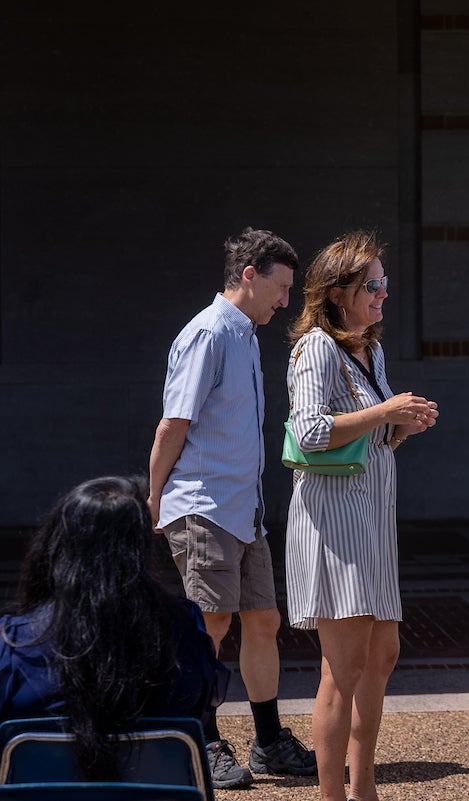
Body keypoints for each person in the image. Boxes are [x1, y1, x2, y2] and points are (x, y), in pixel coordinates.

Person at [147, 227, 315, 788]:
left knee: (263, 621)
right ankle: (201, 741)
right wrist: (155, 496)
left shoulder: (243, 333)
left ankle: (268, 743)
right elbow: (175, 422)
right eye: (282, 287)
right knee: (209, 626)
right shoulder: (208, 333)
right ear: (249, 275)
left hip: (243, 510)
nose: (286, 301)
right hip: (203, 505)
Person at [284, 230, 438, 801]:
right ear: (338, 291)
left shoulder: (368, 348)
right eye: (370, 285)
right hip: (334, 528)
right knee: (342, 668)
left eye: (384, 284)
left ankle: (363, 784)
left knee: (383, 655)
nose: (381, 295)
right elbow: (311, 432)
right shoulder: (316, 349)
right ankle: (334, 793)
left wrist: (403, 425)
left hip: (371, 522)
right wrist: (385, 411)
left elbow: (372, 439)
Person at [0, 476, 228, 780]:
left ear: (58, 544)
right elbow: (196, 711)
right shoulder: (183, 631)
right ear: (140, 546)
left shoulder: (14, 643)